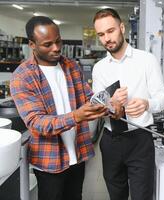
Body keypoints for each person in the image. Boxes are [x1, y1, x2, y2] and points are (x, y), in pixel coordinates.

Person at [10, 16, 108, 200]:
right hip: (49, 161)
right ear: (32, 44)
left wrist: (106, 103)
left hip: (77, 153)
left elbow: (87, 96)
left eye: (58, 41)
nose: (56, 48)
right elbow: (37, 122)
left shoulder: (70, 66)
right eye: (48, 44)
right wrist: (77, 116)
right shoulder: (22, 77)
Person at [92, 8, 164, 200]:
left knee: (142, 196)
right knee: (116, 195)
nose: (106, 38)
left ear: (122, 28)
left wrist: (147, 104)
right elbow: (97, 107)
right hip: (110, 140)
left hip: (140, 139)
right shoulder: (99, 68)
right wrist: (110, 103)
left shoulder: (146, 60)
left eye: (111, 31)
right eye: (101, 34)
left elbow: (163, 97)